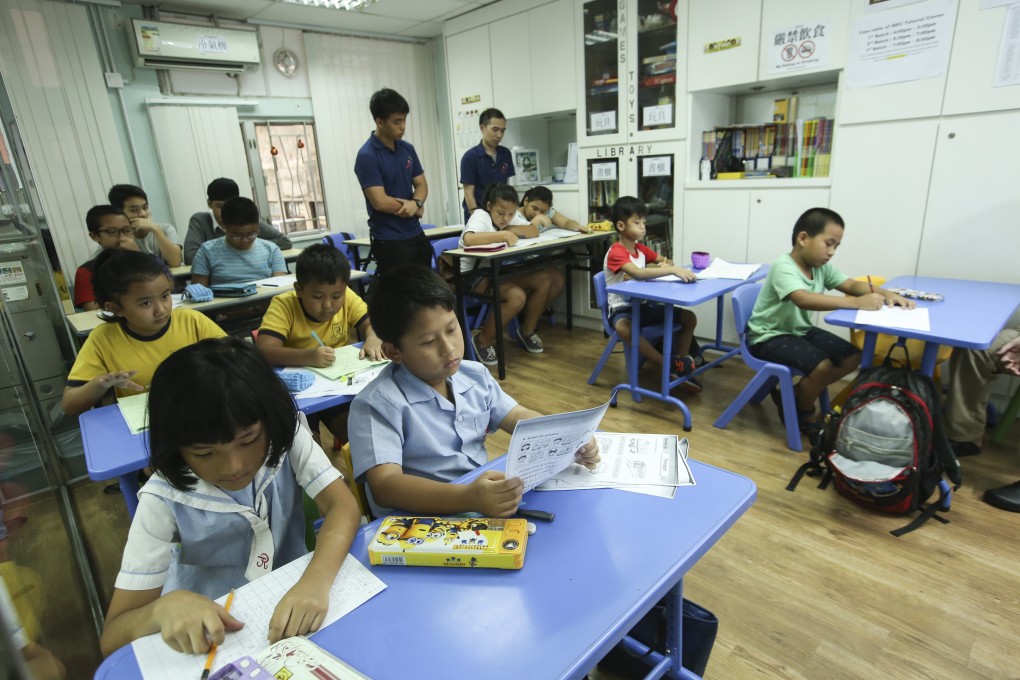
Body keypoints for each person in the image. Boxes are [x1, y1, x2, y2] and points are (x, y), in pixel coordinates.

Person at [98, 338, 361, 656]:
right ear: (175, 448)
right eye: (204, 453)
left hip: (292, 597)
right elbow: (112, 637)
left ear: (269, 419)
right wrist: (159, 610)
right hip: (212, 635)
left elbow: (342, 505)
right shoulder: (161, 499)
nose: (234, 466)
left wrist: (315, 582)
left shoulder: (285, 436)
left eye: (248, 440)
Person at [348, 265, 600, 518]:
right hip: (421, 524)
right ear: (393, 351)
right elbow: (386, 486)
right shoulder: (377, 404)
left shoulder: (474, 375)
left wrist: (566, 437)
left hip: (481, 504)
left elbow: (517, 415)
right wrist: (468, 498)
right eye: (429, 342)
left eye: (451, 329)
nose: (449, 348)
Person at [746, 207, 913, 433]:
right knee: (822, 367)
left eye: (837, 246)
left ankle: (796, 396)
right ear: (803, 238)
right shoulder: (783, 266)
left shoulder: (820, 268)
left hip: (798, 330)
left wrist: (885, 293)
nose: (832, 252)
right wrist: (856, 303)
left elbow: (851, 285)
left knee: (853, 356)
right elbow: (803, 299)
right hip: (768, 336)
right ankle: (803, 409)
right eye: (829, 243)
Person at [62, 249, 226, 417]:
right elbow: (70, 405)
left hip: (202, 411)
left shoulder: (191, 320)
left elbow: (233, 360)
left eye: (165, 296)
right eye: (146, 303)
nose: (161, 310)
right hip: (150, 420)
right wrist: (99, 384)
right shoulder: (102, 339)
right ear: (116, 308)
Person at [256, 244, 384, 445]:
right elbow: (263, 351)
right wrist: (308, 356)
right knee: (309, 443)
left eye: (336, 296)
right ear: (299, 290)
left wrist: (374, 336)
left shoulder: (347, 296)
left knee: (358, 434)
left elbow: (372, 323)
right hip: (298, 393)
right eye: (317, 297)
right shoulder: (284, 305)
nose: (328, 305)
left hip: (336, 386)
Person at [603, 196, 702, 393]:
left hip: (643, 306)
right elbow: (639, 273)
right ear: (621, 225)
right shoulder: (616, 252)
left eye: (644, 222)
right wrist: (670, 270)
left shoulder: (640, 249)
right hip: (622, 309)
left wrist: (666, 265)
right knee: (623, 327)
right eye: (637, 222)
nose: (643, 227)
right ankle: (665, 363)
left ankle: (680, 363)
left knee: (689, 317)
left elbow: (667, 261)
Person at [459, 183, 564, 363]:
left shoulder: (509, 217)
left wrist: (511, 229)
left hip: (497, 271)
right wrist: (502, 235)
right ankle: (482, 340)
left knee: (549, 278)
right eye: (500, 213)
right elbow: (469, 239)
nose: (505, 218)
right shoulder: (481, 216)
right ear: (489, 206)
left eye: (511, 214)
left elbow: (533, 230)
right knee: (517, 297)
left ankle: (526, 331)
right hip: (473, 276)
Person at [353, 88, 430, 275]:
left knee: (426, 287)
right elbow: (380, 201)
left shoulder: (407, 149)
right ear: (379, 121)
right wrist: (411, 207)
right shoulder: (367, 156)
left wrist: (416, 203)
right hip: (389, 238)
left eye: (404, 120)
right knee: (399, 291)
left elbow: (421, 184)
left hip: (415, 232)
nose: (403, 126)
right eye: (397, 122)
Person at [184, 178, 292, 265]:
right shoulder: (200, 220)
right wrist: (234, 250)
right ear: (209, 204)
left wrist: (251, 244)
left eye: (229, 206)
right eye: (219, 206)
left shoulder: (246, 219)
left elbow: (284, 241)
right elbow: (190, 257)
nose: (225, 211)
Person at [74, 205, 158, 311]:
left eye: (127, 230)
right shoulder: (86, 271)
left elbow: (163, 289)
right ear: (95, 236)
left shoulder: (148, 260)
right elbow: (93, 310)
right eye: (112, 232)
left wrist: (136, 257)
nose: (122, 237)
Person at [190, 197, 288, 287]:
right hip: (225, 301)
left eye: (251, 234)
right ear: (223, 225)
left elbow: (280, 289)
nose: (245, 240)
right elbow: (198, 293)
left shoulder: (272, 250)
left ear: (258, 227)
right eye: (237, 235)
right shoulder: (207, 251)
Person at [107, 184, 183, 267]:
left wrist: (155, 229)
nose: (143, 214)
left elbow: (176, 262)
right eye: (134, 210)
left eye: (145, 208)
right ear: (119, 213)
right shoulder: (115, 238)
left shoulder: (165, 229)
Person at [460, 108, 515, 222]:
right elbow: (468, 193)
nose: (499, 135)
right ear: (482, 128)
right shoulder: (470, 157)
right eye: (495, 130)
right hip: (478, 213)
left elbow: (506, 186)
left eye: (502, 131)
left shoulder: (505, 154)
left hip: (500, 215)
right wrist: (476, 217)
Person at [517, 186, 589, 234]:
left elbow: (566, 222)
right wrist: (538, 220)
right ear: (526, 201)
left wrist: (577, 227)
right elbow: (524, 234)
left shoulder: (548, 211)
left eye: (543, 211)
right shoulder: (514, 215)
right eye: (535, 208)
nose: (537, 214)